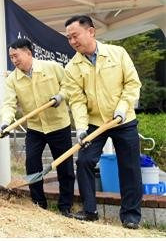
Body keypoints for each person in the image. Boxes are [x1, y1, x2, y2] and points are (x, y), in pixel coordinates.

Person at [64, 15, 142, 229]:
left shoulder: (118, 54)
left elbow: (132, 83)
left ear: (91, 31)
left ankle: (131, 216)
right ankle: (90, 210)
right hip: (95, 123)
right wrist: (80, 127)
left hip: (124, 120)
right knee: (84, 161)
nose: (72, 41)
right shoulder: (72, 67)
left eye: (75, 36)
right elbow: (77, 100)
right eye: (69, 38)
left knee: (129, 167)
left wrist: (123, 107)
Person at [1, 38, 75, 216]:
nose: (14, 60)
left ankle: (65, 206)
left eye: (16, 56)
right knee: (32, 163)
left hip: (59, 125)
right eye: (11, 57)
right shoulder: (12, 79)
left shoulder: (51, 67)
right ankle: (38, 203)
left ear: (28, 52)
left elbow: (69, 85)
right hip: (35, 128)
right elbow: (9, 104)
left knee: (65, 166)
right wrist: (6, 122)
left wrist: (60, 96)